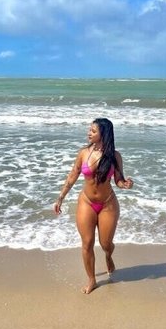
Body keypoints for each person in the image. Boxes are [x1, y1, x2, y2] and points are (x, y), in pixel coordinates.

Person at [53, 118, 134, 294]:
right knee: (87, 243)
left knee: (106, 243)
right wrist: (60, 198)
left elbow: (118, 180)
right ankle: (92, 280)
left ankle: (108, 256)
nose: (89, 133)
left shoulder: (114, 156)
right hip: (87, 202)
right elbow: (73, 175)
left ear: (103, 134)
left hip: (107, 204)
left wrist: (125, 184)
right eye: (89, 130)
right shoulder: (83, 153)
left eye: (93, 131)